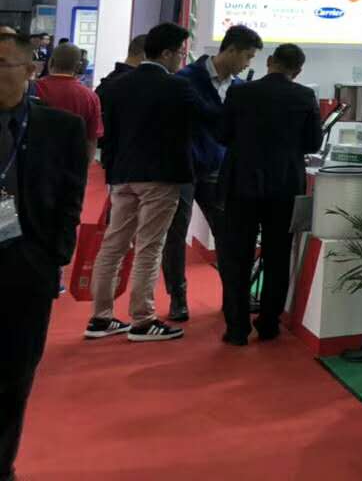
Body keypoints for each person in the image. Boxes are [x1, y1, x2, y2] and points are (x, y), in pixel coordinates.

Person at [0, 31, 87, 481]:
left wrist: (54, 254)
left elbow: (72, 195)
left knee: (15, 376)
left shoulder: (60, 128)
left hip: (26, 266)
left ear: (30, 71)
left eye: (2, 64)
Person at [87, 22, 208, 343]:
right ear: (166, 53)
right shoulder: (178, 87)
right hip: (162, 177)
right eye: (180, 53)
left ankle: (100, 317)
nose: (182, 59)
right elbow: (210, 120)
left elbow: (106, 135)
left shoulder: (116, 86)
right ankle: (142, 319)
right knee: (149, 246)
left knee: (113, 245)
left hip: (122, 175)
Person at [216, 43, 322, 346]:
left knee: (238, 256)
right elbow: (313, 144)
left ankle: (237, 328)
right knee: (277, 254)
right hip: (285, 185)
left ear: (270, 61)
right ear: (297, 71)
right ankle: (268, 323)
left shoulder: (240, 92)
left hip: (242, 183)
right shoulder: (305, 96)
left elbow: (222, 135)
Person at [164, 25, 260, 322]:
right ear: (230, 50)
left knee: (228, 235)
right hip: (182, 167)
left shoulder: (240, 87)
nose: (247, 63)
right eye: (246, 56)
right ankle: (178, 298)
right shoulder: (186, 79)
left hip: (218, 168)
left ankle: (234, 297)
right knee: (176, 235)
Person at [35, 41, 103, 164]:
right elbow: (92, 138)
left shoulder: (32, 88)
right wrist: (84, 167)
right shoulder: (90, 97)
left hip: (35, 160)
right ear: (78, 66)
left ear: (51, 62)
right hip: (72, 162)